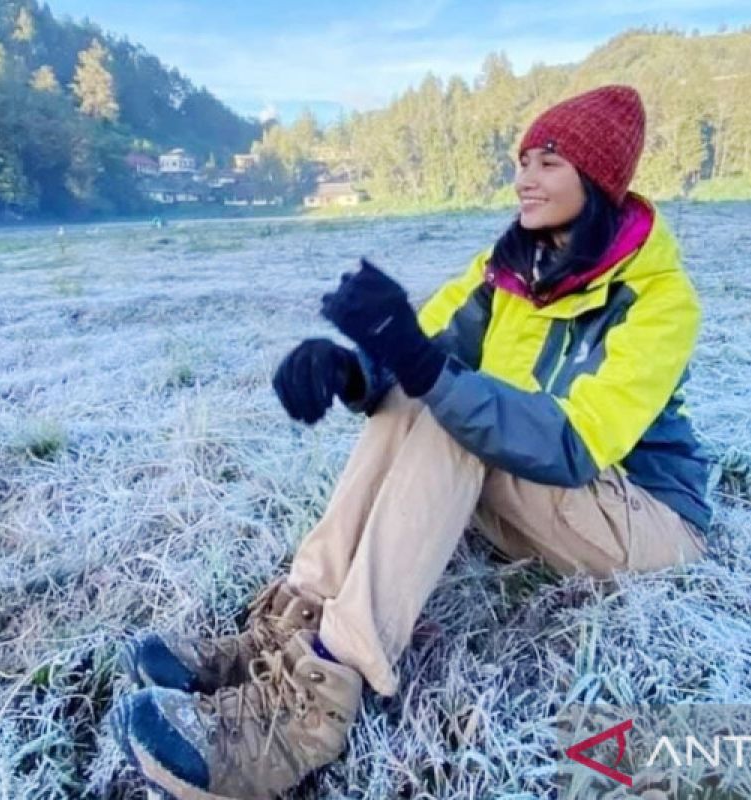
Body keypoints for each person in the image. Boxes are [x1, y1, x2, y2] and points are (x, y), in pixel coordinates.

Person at [110, 84, 713, 799]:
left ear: (601, 179)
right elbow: (421, 356)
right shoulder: (509, 273)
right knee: (425, 397)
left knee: (459, 414)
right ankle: (292, 622)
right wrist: (353, 371)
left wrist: (426, 369)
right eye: (523, 159)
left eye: (550, 161)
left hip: (639, 519)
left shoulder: (658, 299)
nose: (526, 177)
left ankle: (316, 702)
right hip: (540, 499)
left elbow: (573, 445)